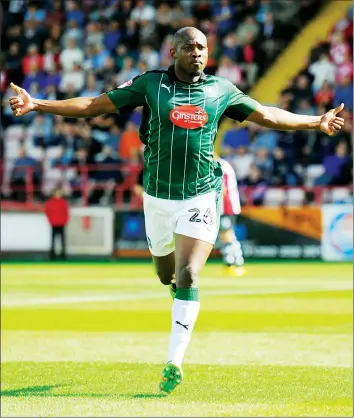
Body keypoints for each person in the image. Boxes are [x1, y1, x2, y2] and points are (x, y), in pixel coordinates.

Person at [8, 27, 345, 394]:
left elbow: (267, 115)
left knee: (187, 274)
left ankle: (174, 361)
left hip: (200, 196)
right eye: (189, 47)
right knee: (165, 274)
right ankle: (175, 291)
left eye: (202, 47)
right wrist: (38, 104)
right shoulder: (151, 85)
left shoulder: (220, 90)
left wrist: (316, 121)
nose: (196, 52)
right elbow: (94, 105)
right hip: (157, 198)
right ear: (173, 51)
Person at [215, 154, 245, 276]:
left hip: (226, 206)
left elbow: (223, 188)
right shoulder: (224, 165)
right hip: (228, 206)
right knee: (227, 235)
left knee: (227, 235)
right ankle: (233, 262)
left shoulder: (219, 166)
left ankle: (235, 263)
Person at [44, 187, 70, 260]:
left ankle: (63, 253)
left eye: (59, 193)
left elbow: (66, 212)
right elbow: (47, 211)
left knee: (63, 240)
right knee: (53, 239)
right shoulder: (50, 202)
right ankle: (52, 254)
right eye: (57, 193)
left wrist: (65, 221)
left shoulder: (63, 202)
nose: (58, 194)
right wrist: (50, 220)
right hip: (54, 223)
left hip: (62, 223)